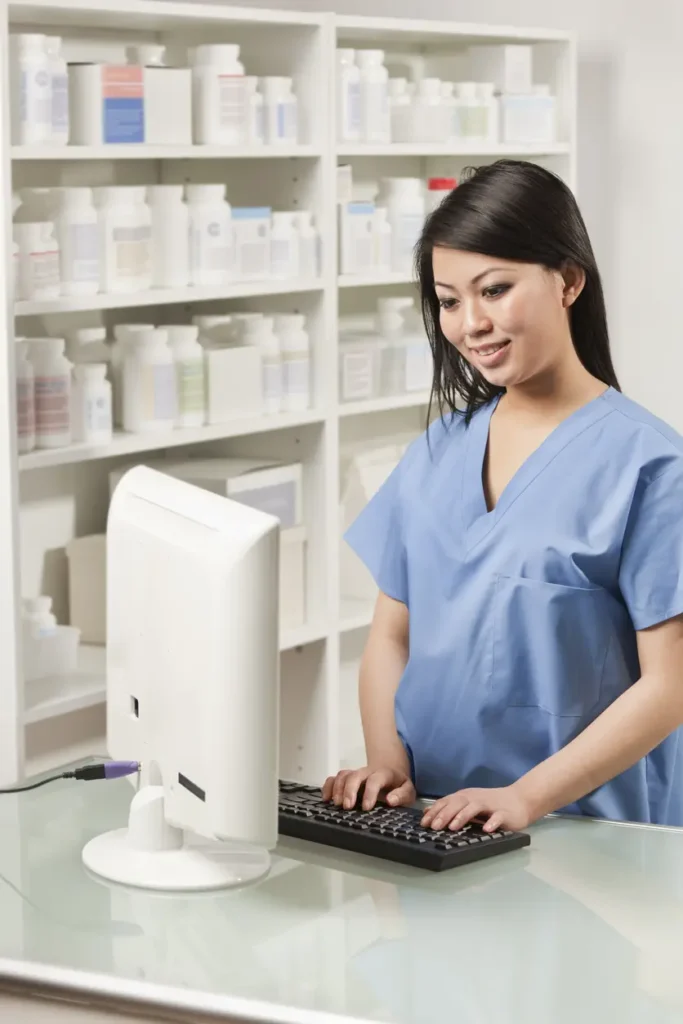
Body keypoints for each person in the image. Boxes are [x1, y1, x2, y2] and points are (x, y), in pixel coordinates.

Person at [323, 159, 683, 833]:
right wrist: (387, 764)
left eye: (494, 290)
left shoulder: (650, 466)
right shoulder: (436, 453)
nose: (470, 325)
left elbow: (669, 686)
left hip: (588, 834)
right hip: (434, 822)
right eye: (450, 301)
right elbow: (389, 637)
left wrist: (525, 797)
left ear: (568, 280)